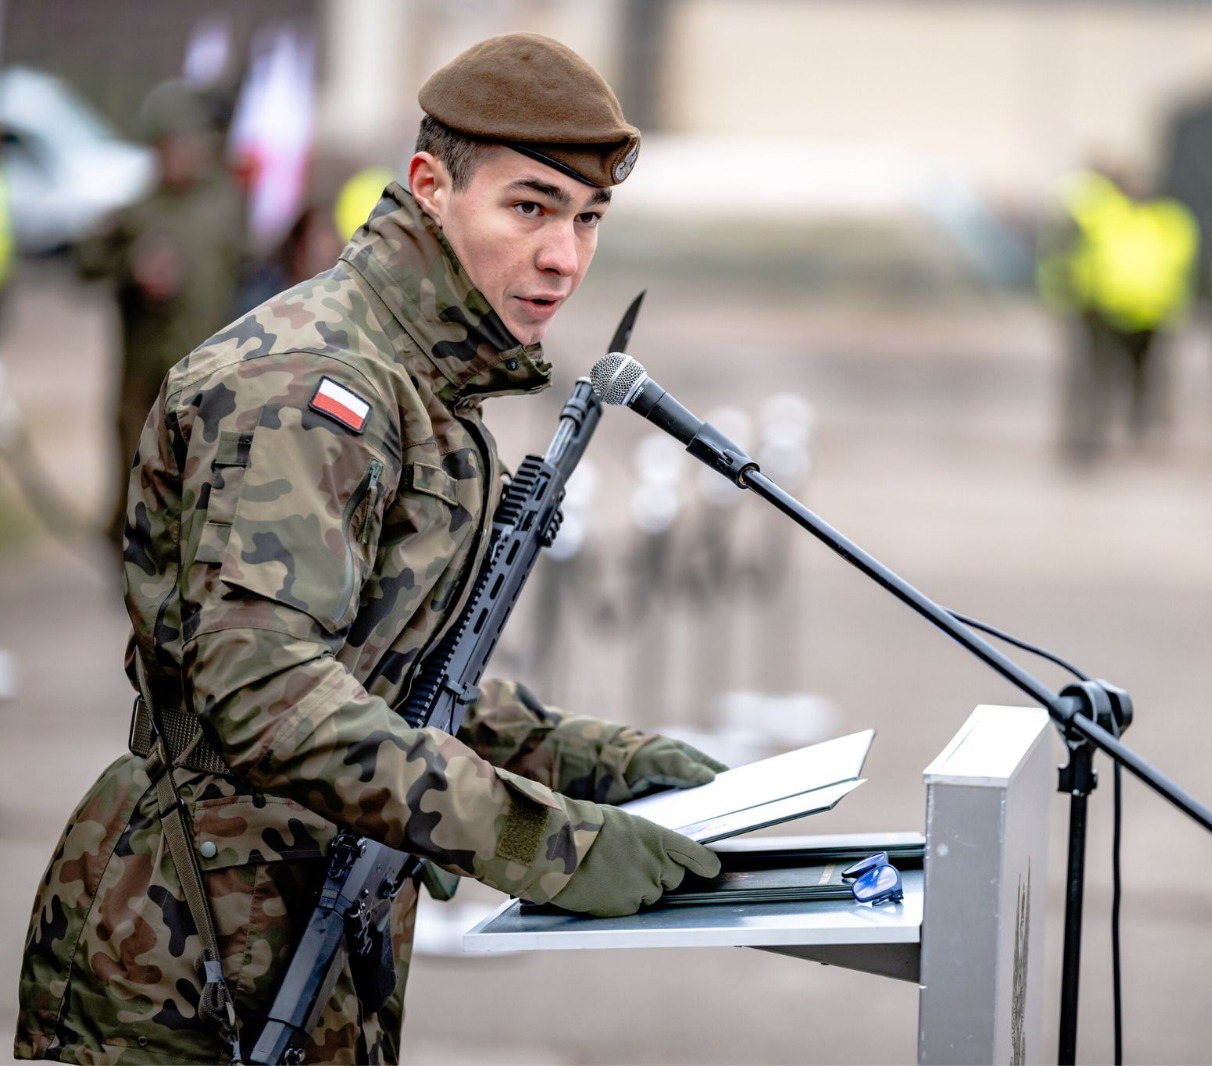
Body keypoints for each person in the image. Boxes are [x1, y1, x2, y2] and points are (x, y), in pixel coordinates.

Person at [15, 33, 719, 1064]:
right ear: (431, 188)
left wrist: (590, 761)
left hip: (302, 922)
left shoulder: (421, 376)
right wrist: (541, 841)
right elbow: (268, 691)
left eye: (588, 220)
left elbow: (384, 666)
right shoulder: (313, 383)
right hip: (182, 953)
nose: (565, 256)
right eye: (529, 207)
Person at [77, 80, 247, 552]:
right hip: (144, 380)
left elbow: (256, 274)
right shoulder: (137, 210)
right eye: (169, 146)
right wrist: (132, 269)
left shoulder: (227, 204)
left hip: (213, 376)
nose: (180, 156)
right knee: (137, 477)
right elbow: (85, 264)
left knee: (204, 480)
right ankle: (131, 564)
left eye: (188, 145)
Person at [1036, 167, 1197, 462]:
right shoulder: (1100, 213)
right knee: (1096, 376)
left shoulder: (1168, 220)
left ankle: (1138, 427)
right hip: (1102, 309)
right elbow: (1067, 226)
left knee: (1142, 378)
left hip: (1149, 312)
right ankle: (1089, 435)